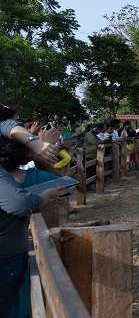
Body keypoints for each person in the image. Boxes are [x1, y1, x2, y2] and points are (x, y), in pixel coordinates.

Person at [0, 106, 63, 316]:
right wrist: (44, 197)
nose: (18, 127)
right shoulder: (32, 179)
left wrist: (35, 143)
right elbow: (19, 203)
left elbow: (9, 127)